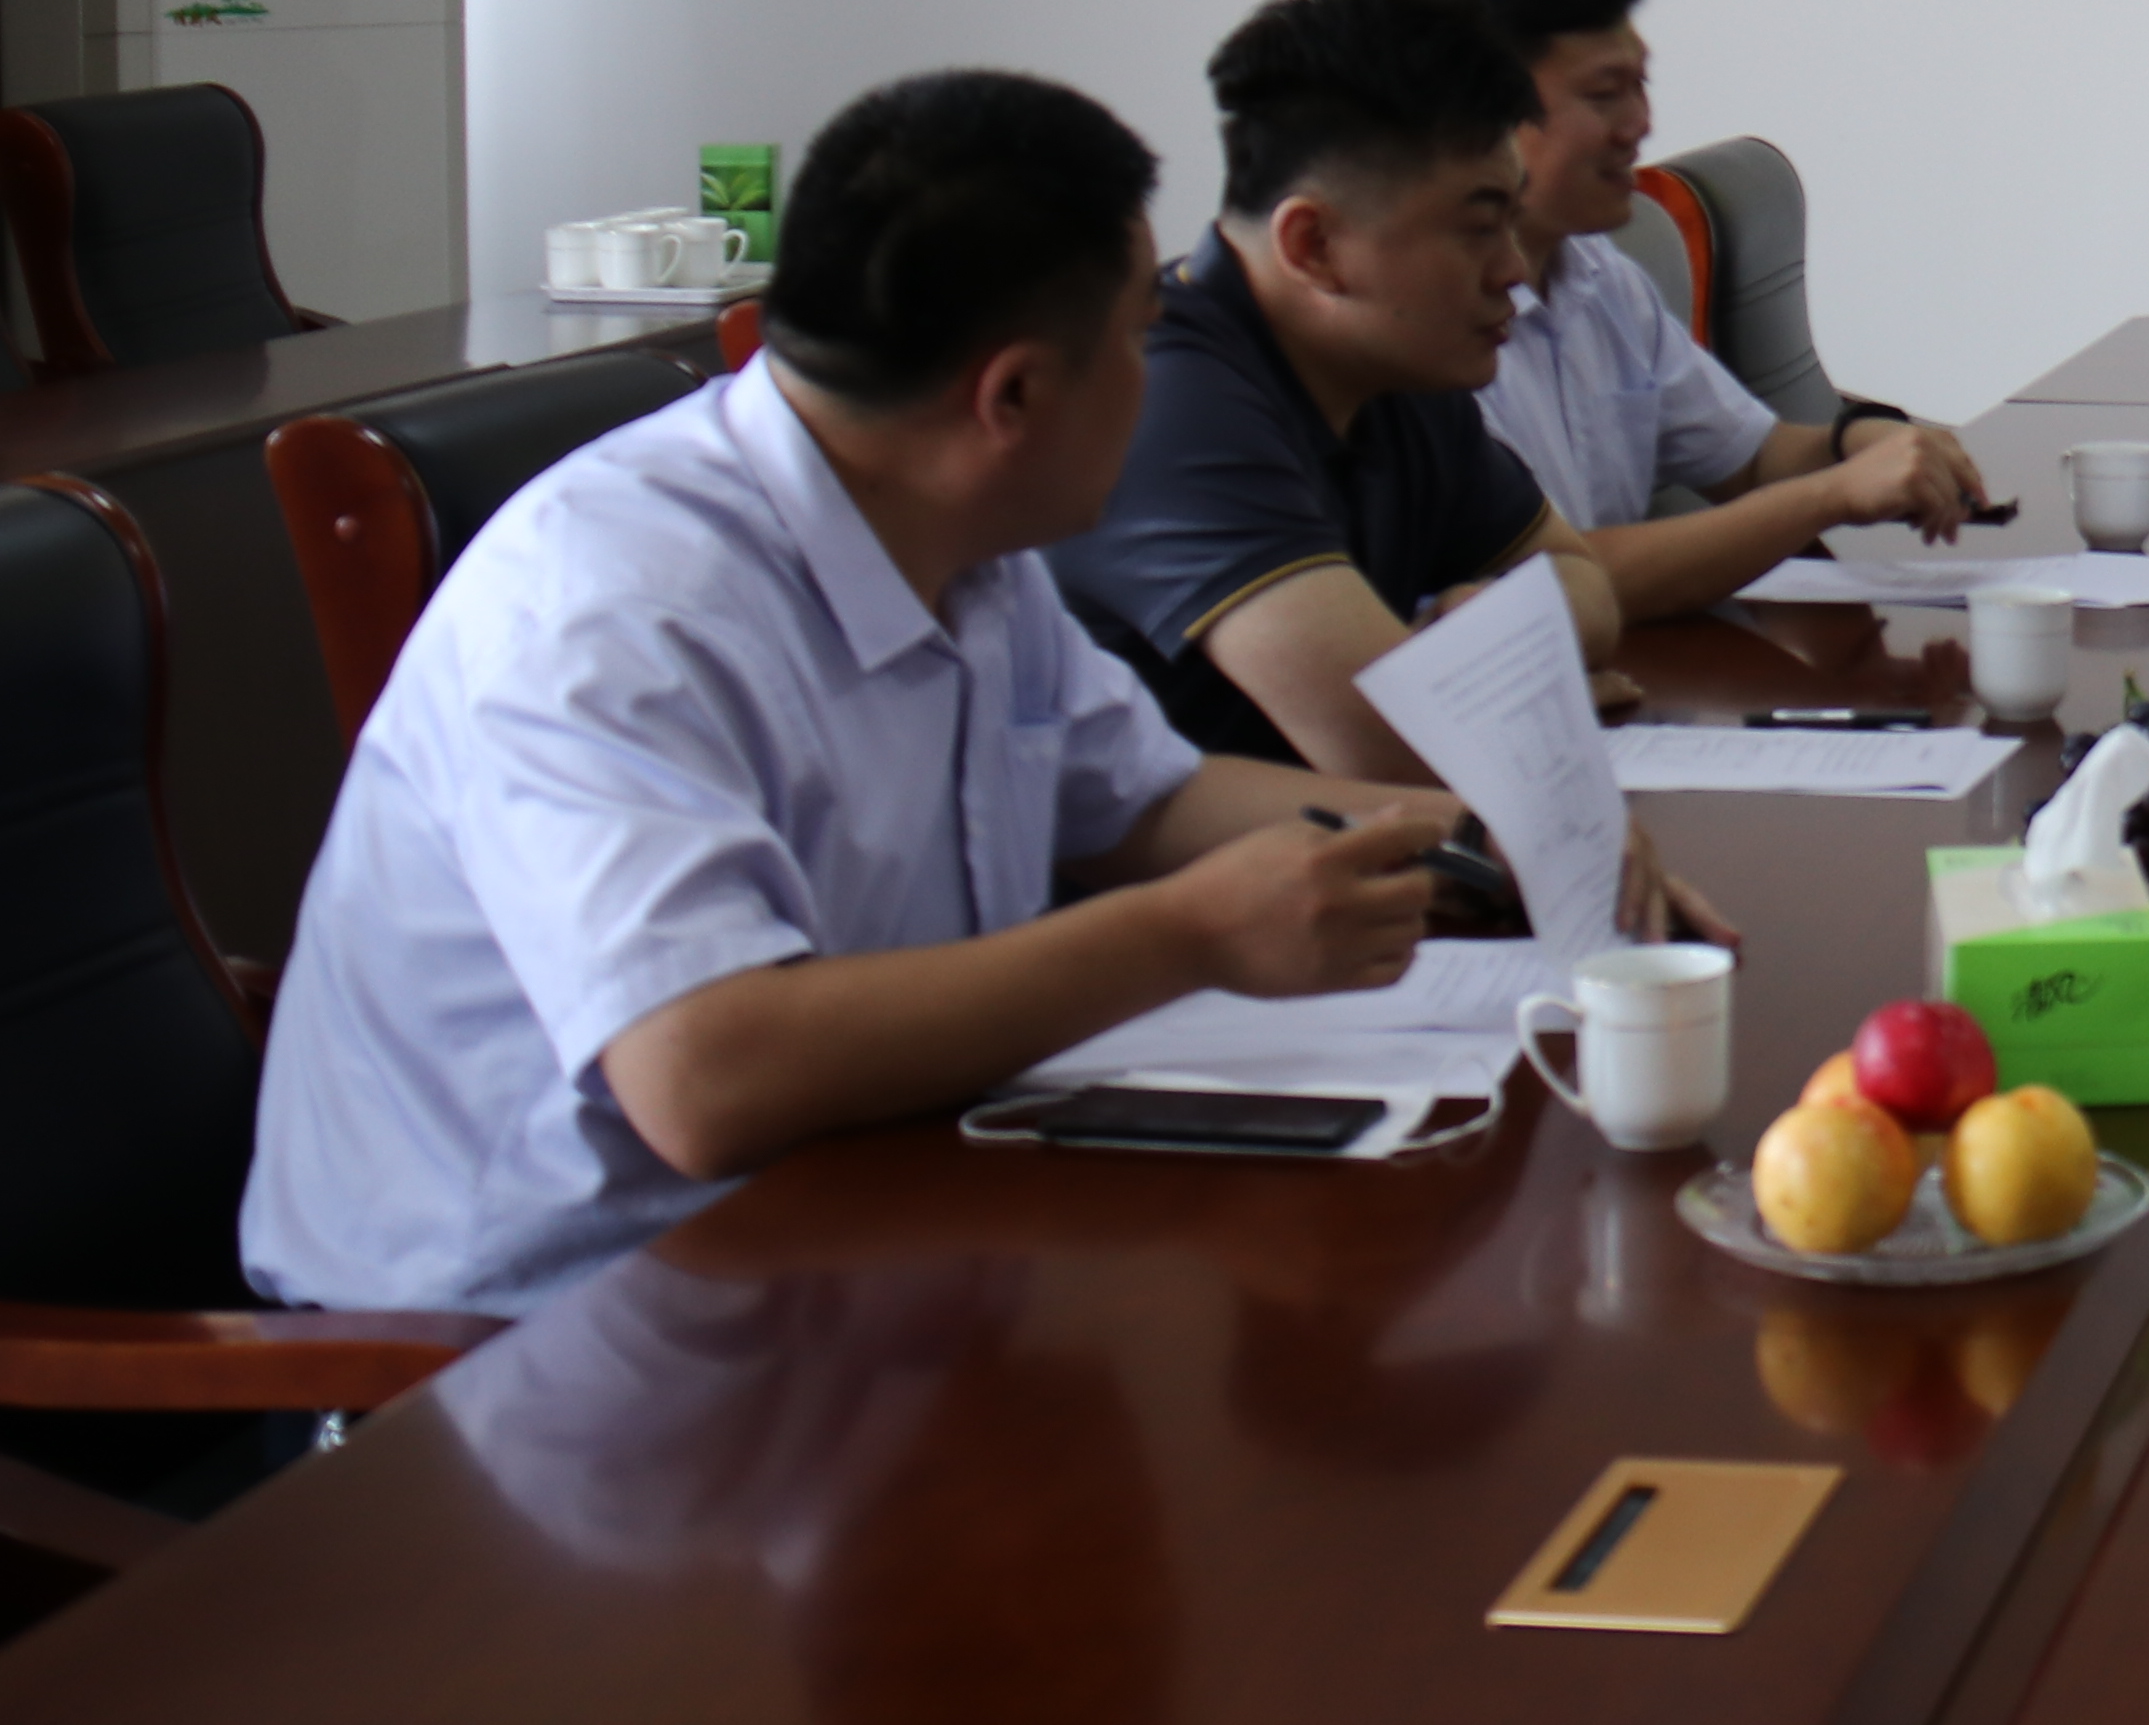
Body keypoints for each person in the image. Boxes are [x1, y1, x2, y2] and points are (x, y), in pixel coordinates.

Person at [242, 70, 1460, 1314]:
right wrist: (1186, 936)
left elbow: (1147, 800)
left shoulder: (962, 537)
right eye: (1145, 338)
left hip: (856, 1239)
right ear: (1014, 395)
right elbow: (703, 1076)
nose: (1160, 383)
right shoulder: (612, 610)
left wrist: (1485, 834)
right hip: (528, 1342)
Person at [1056, 0, 1631, 789]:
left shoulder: (1400, 365)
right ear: (1315, 245)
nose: (1511, 268)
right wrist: (1525, 680)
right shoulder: (1168, 402)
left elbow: (1586, 586)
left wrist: (1489, 653)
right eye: (1478, 227)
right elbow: (1399, 749)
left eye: (1512, 221)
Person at [1408, 0, 1986, 624]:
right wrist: (1832, 494)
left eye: (1641, 86)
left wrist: (1856, 438)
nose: (1640, 124)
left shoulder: (1600, 277)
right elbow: (1549, 580)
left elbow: (1748, 458)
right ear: (1485, 107)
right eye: (1605, 93)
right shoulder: (1422, 328)